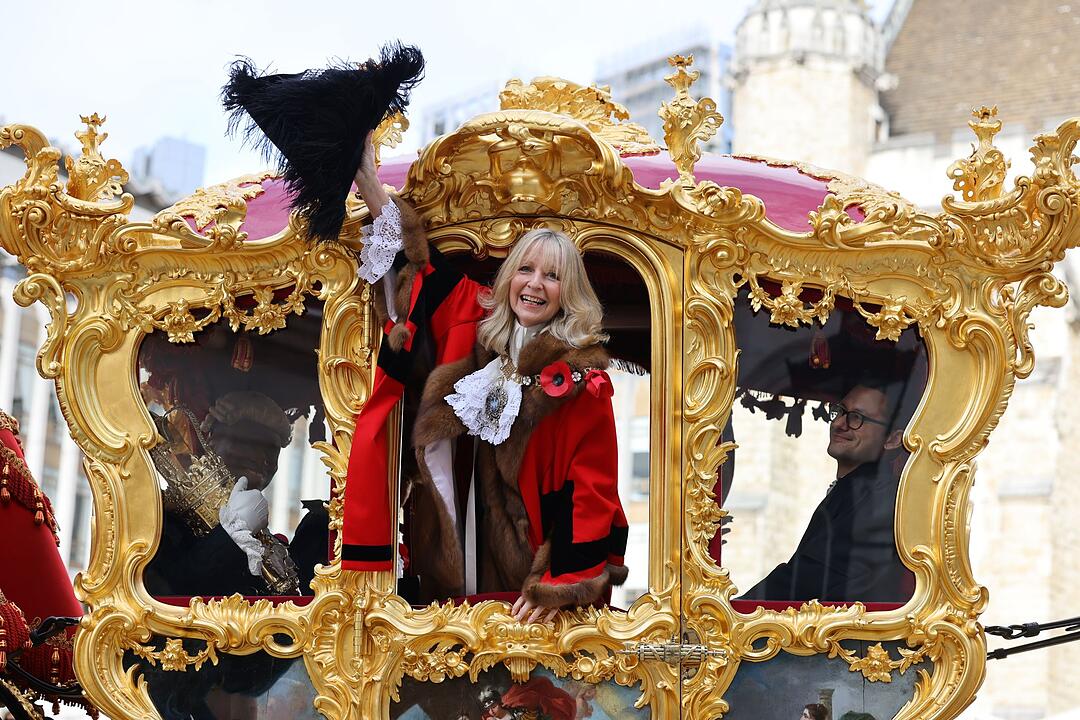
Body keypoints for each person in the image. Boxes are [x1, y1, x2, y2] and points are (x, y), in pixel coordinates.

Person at [345, 132, 628, 623]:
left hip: (529, 585)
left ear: (568, 293)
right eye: (526, 270)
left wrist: (558, 587)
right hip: (460, 566)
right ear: (509, 279)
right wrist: (369, 184)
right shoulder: (480, 333)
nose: (535, 285)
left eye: (553, 276)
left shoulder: (584, 383)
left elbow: (592, 491)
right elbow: (420, 269)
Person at [743, 382, 915, 602]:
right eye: (840, 411)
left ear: (891, 439)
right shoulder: (852, 490)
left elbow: (809, 579)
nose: (840, 424)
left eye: (857, 418)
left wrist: (733, 612)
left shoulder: (877, 499)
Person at [145, 390, 297, 597]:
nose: (264, 459)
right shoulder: (166, 523)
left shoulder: (272, 542)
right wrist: (232, 535)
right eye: (253, 443)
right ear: (211, 441)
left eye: (272, 452)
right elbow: (170, 591)